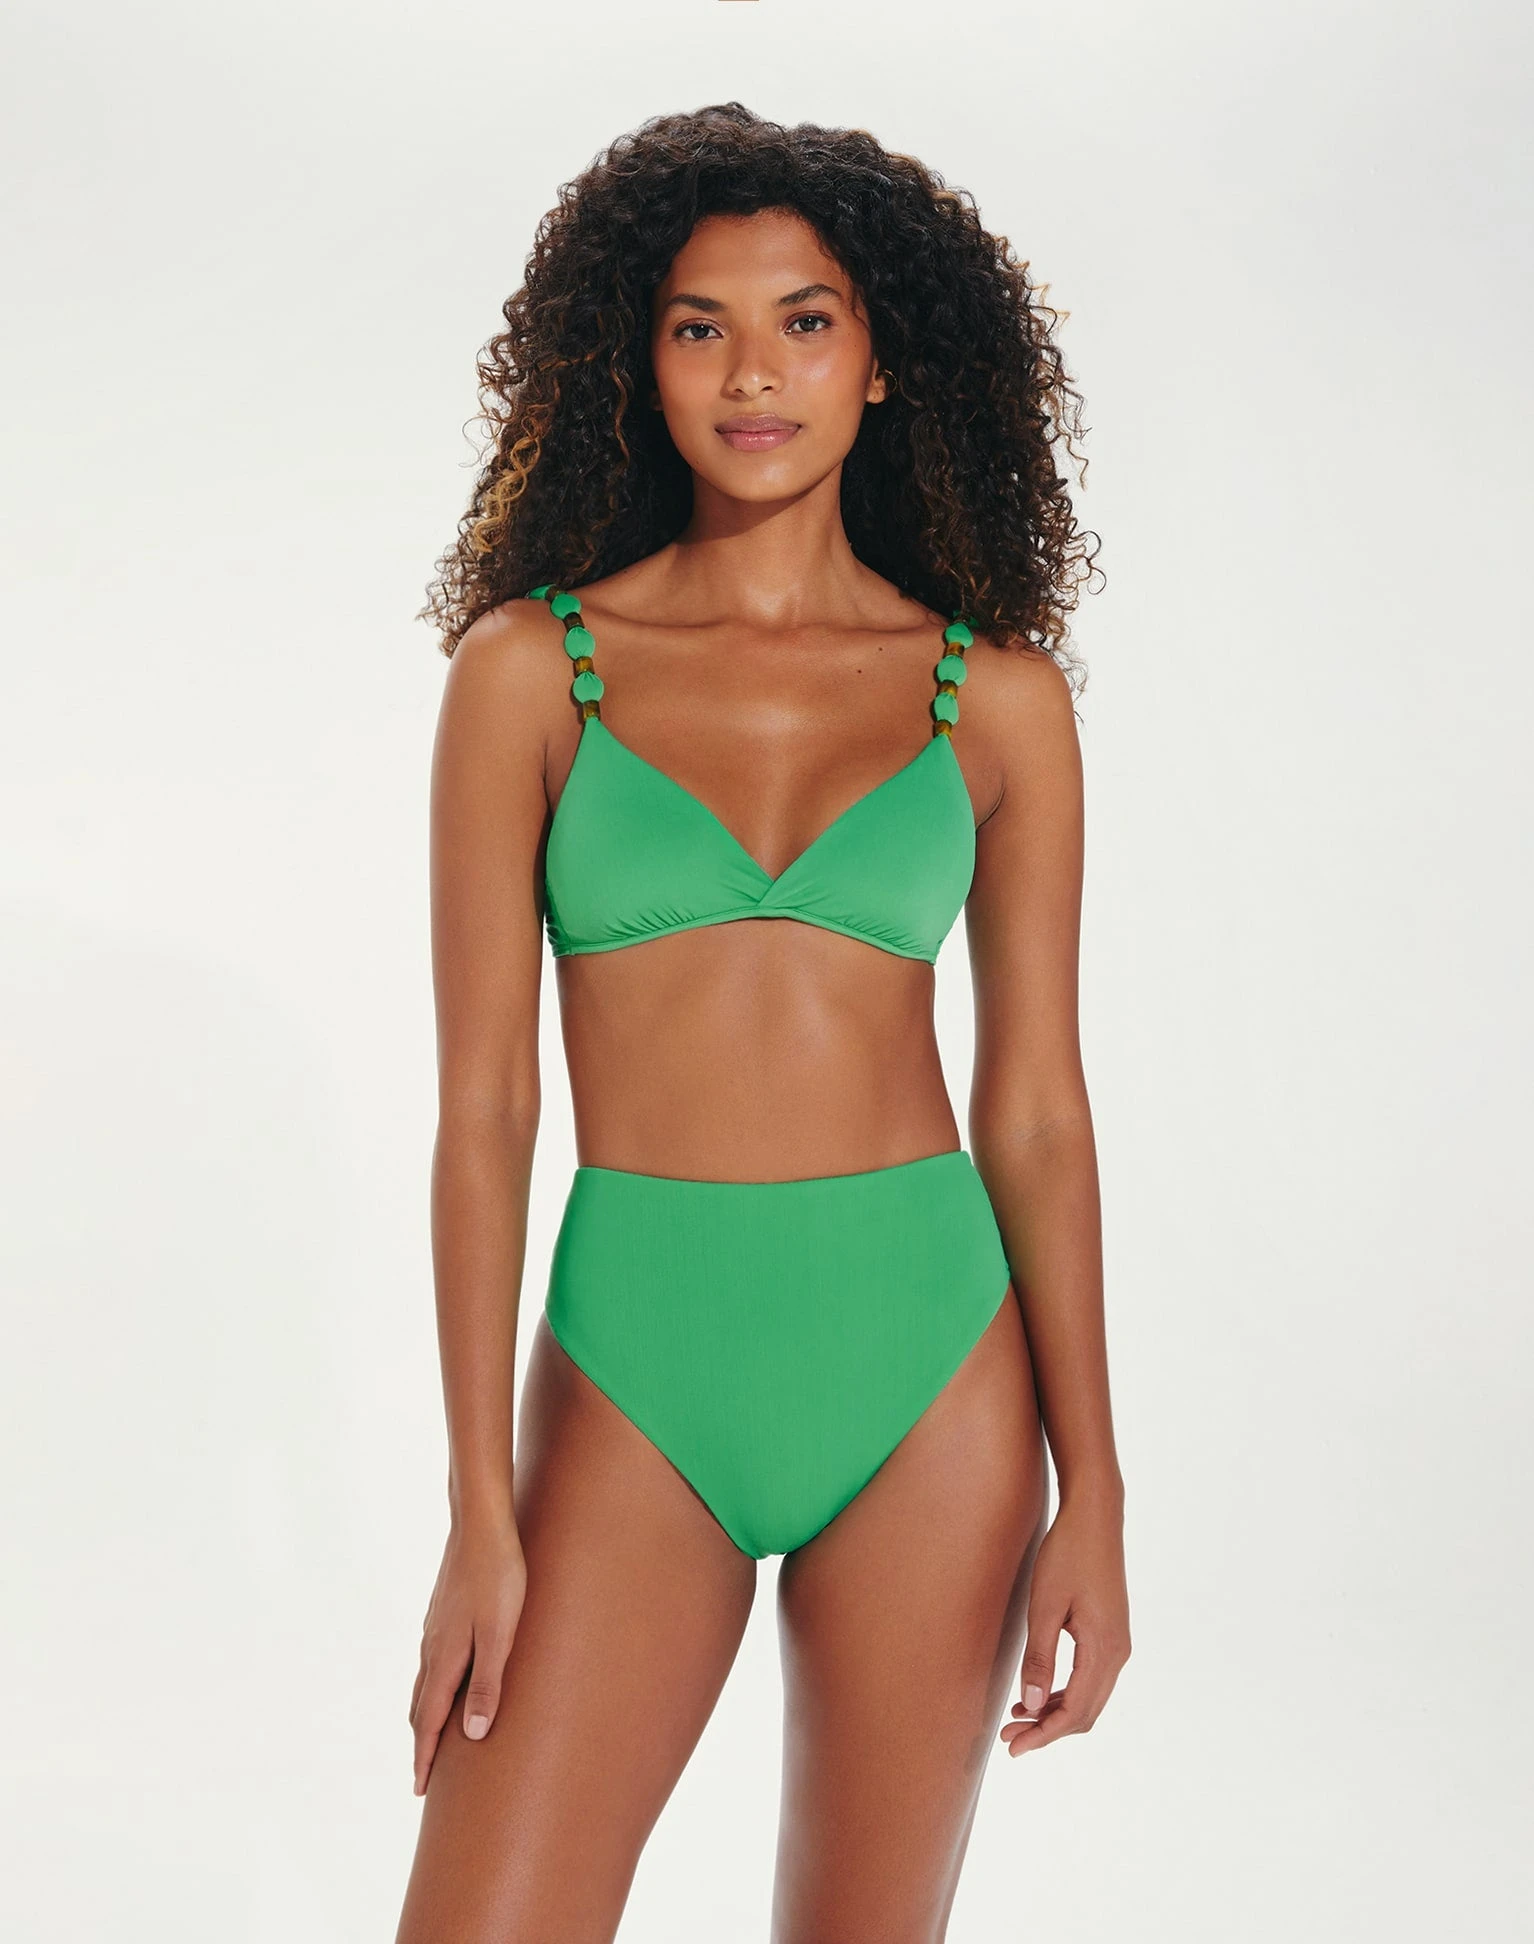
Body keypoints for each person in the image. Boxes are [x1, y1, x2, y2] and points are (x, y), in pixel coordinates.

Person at [394, 102, 1130, 1944]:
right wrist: (479, 1506)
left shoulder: (994, 698)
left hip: (933, 1363)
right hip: (635, 1362)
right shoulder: (531, 669)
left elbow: (1035, 1109)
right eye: (696, 326)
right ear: (632, 364)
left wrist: (1097, 1490)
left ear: (882, 361)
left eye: (803, 322)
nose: (750, 374)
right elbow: (483, 1110)